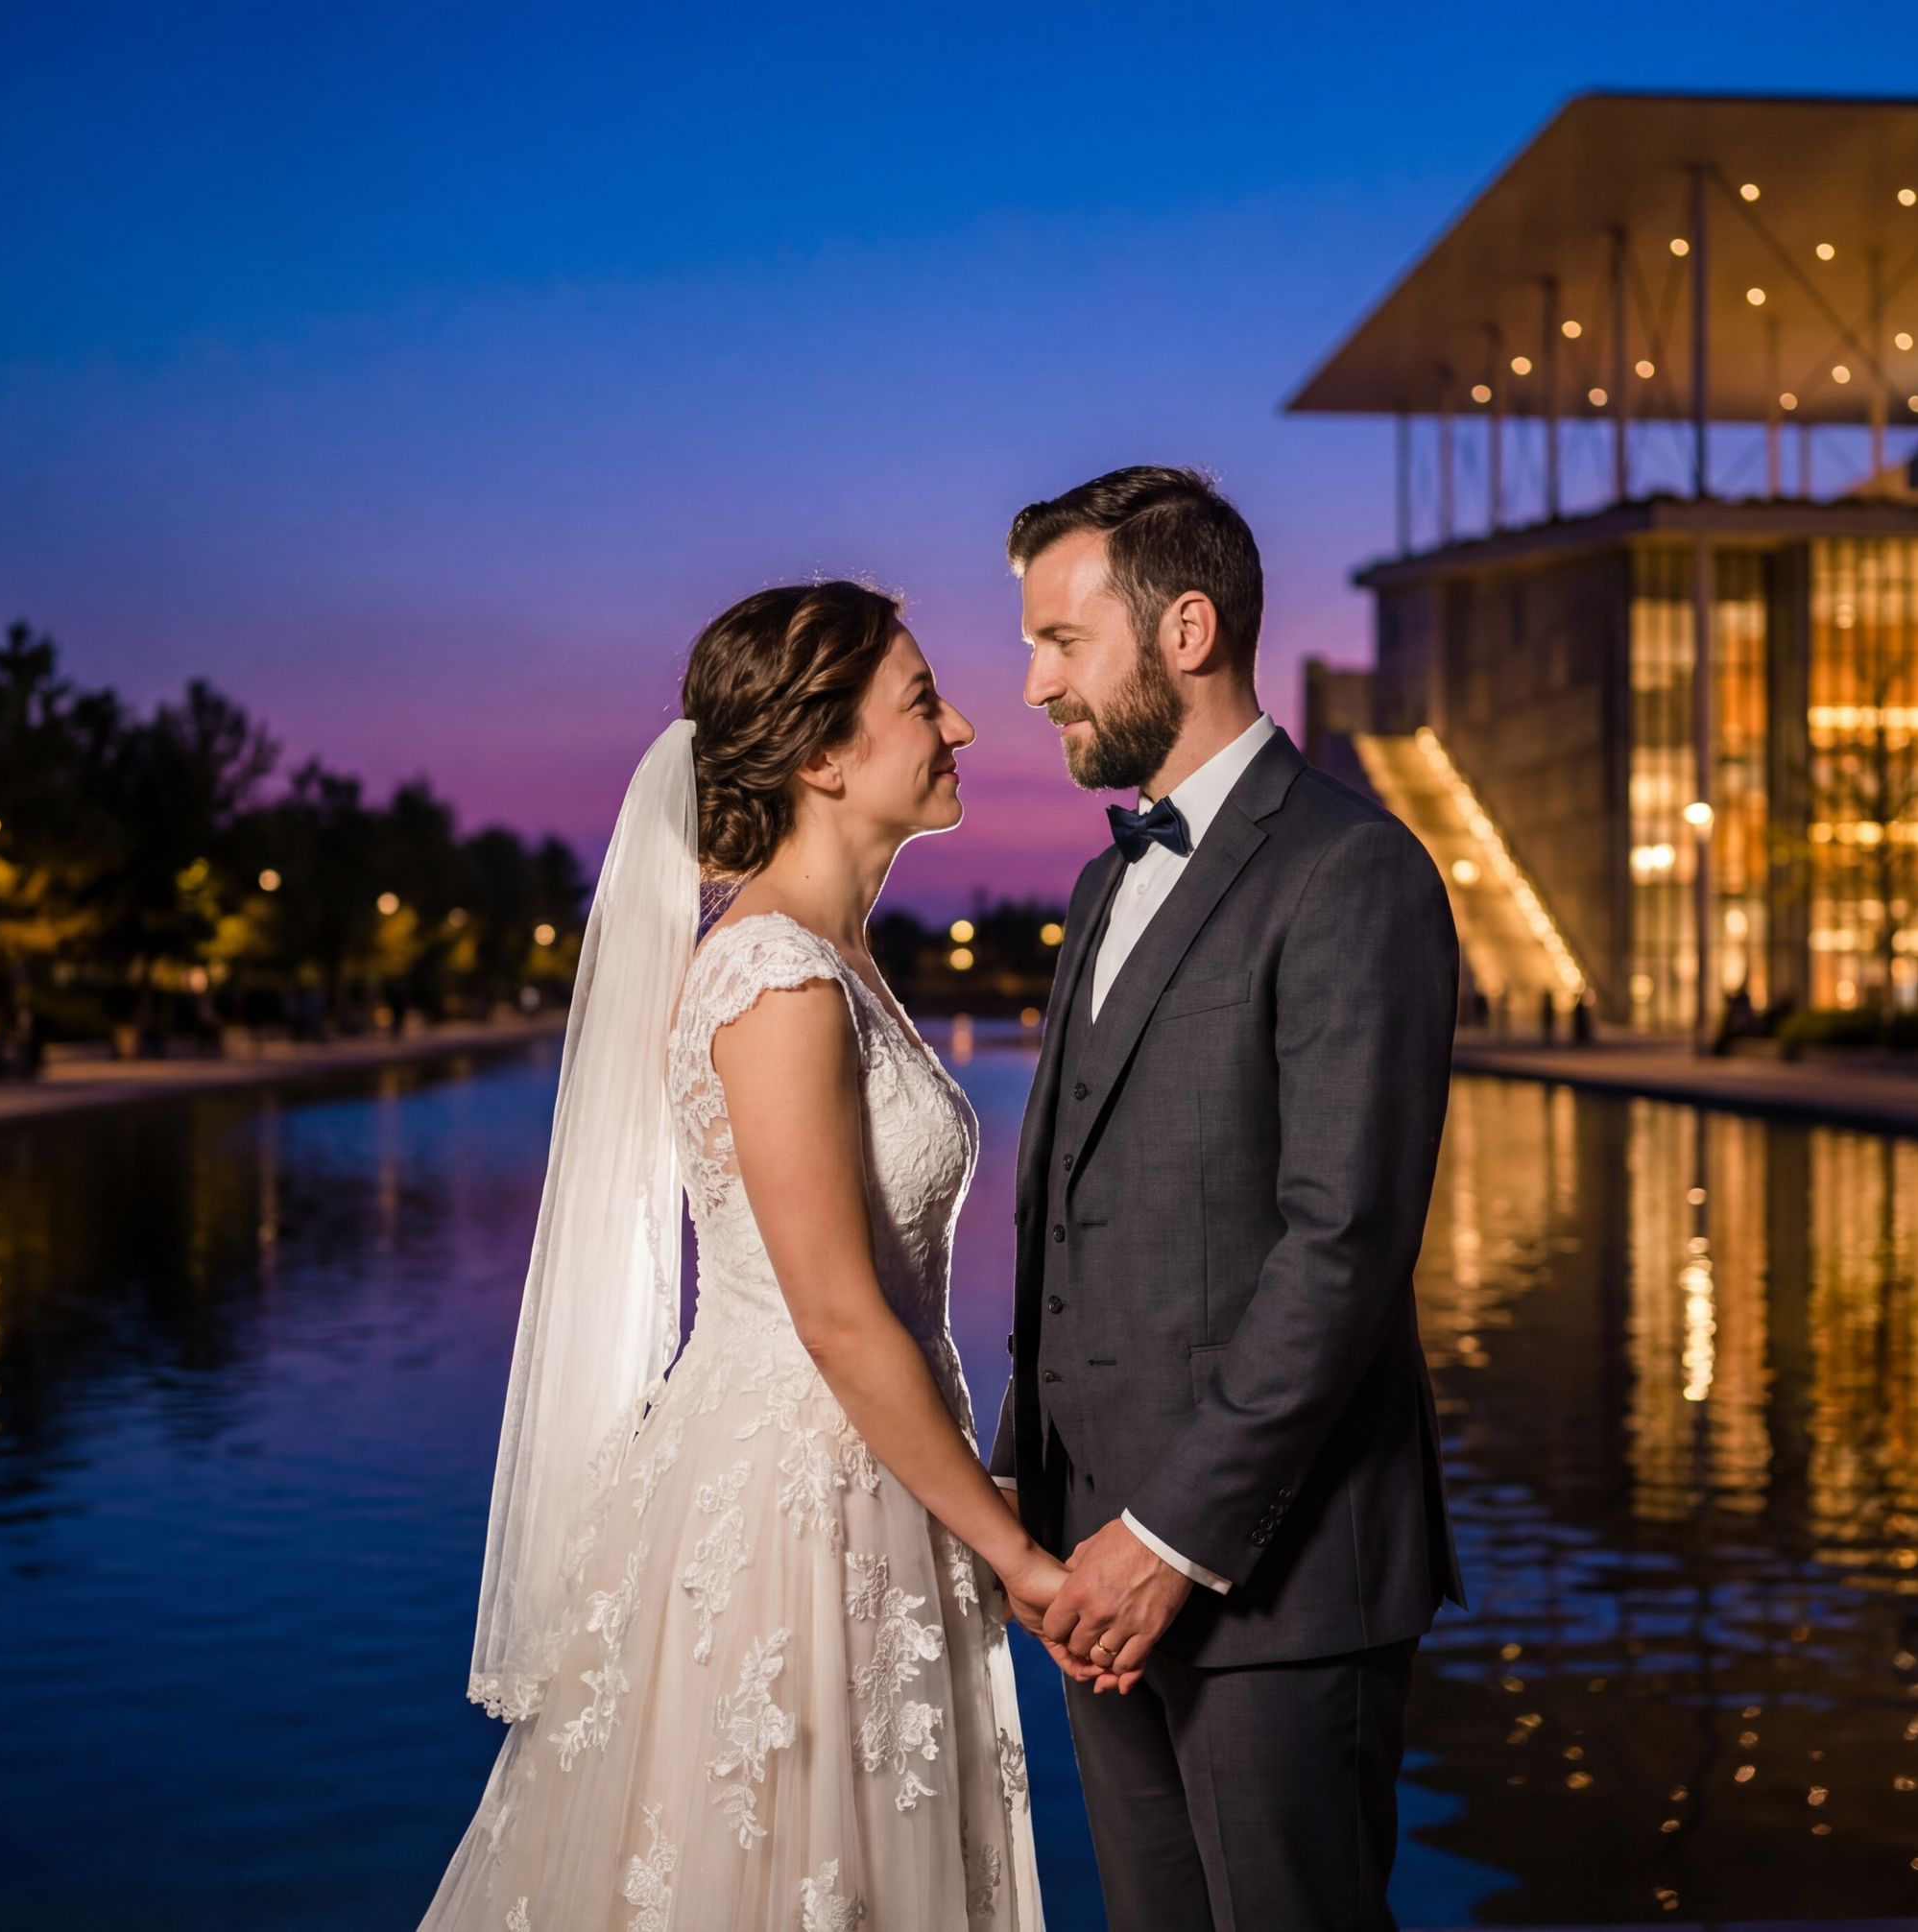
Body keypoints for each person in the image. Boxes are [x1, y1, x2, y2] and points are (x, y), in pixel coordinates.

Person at [418, 582, 1047, 1930]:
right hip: (797, 1507)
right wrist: (1019, 1554)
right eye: (922, 701)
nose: (965, 725)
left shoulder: (838, 960)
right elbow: (833, 1314)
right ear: (821, 755)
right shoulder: (772, 976)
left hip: (877, 1475)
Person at [996, 467, 1461, 1932]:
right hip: (1096, 1577)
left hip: (1274, 1579)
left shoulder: (1355, 871)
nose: (1033, 686)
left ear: (1185, 628)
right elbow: (1072, 1207)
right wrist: (1040, 1498)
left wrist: (1171, 1539)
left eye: (1063, 643)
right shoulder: (1098, 887)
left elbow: (1346, 1246)